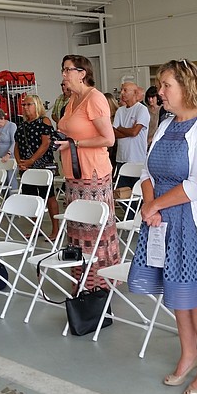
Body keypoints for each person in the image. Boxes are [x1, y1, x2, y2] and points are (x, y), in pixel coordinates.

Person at [128, 59, 197, 394]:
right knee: (179, 297)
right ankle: (188, 356)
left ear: (186, 87)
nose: (159, 92)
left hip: (196, 224)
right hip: (163, 222)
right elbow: (147, 173)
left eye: (166, 85)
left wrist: (156, 205)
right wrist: (150, 205)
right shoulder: (165, 124)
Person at [55, 54, 119, 290]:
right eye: (62, 70)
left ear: (82, 73)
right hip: (74, 173)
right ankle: (81, 282)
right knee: (77, 231)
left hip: (92, 176)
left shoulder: (95, 98)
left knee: (94, 231)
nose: (63, 75)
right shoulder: (72, 100)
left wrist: (75, 144)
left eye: (67, 70)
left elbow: (108, 139)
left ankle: (99, 285)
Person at [15, 94, 59, 238]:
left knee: (49, 196)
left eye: (29, 104)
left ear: (37, 105)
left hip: (42, 165)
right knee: (32, 197)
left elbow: (46, 143)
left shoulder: (44, 121)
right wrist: (20, 162)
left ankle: (55, 229)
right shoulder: (22, 125)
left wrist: (32, 160)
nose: (26, 108)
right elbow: (17, 145)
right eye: (24, 105)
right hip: (26, 166)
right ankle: (36, 228)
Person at [113, 81, 149, 188]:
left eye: (125, 90)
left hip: (137, 159)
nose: (122, 94)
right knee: (121, 192)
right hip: (121, 158)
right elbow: (114, 133)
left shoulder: (142, 109)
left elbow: (135, 132)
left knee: (138, 192)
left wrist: (121, 128)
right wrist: (129, 130)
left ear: (135, 93)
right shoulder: (120, 111)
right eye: (121, 91)